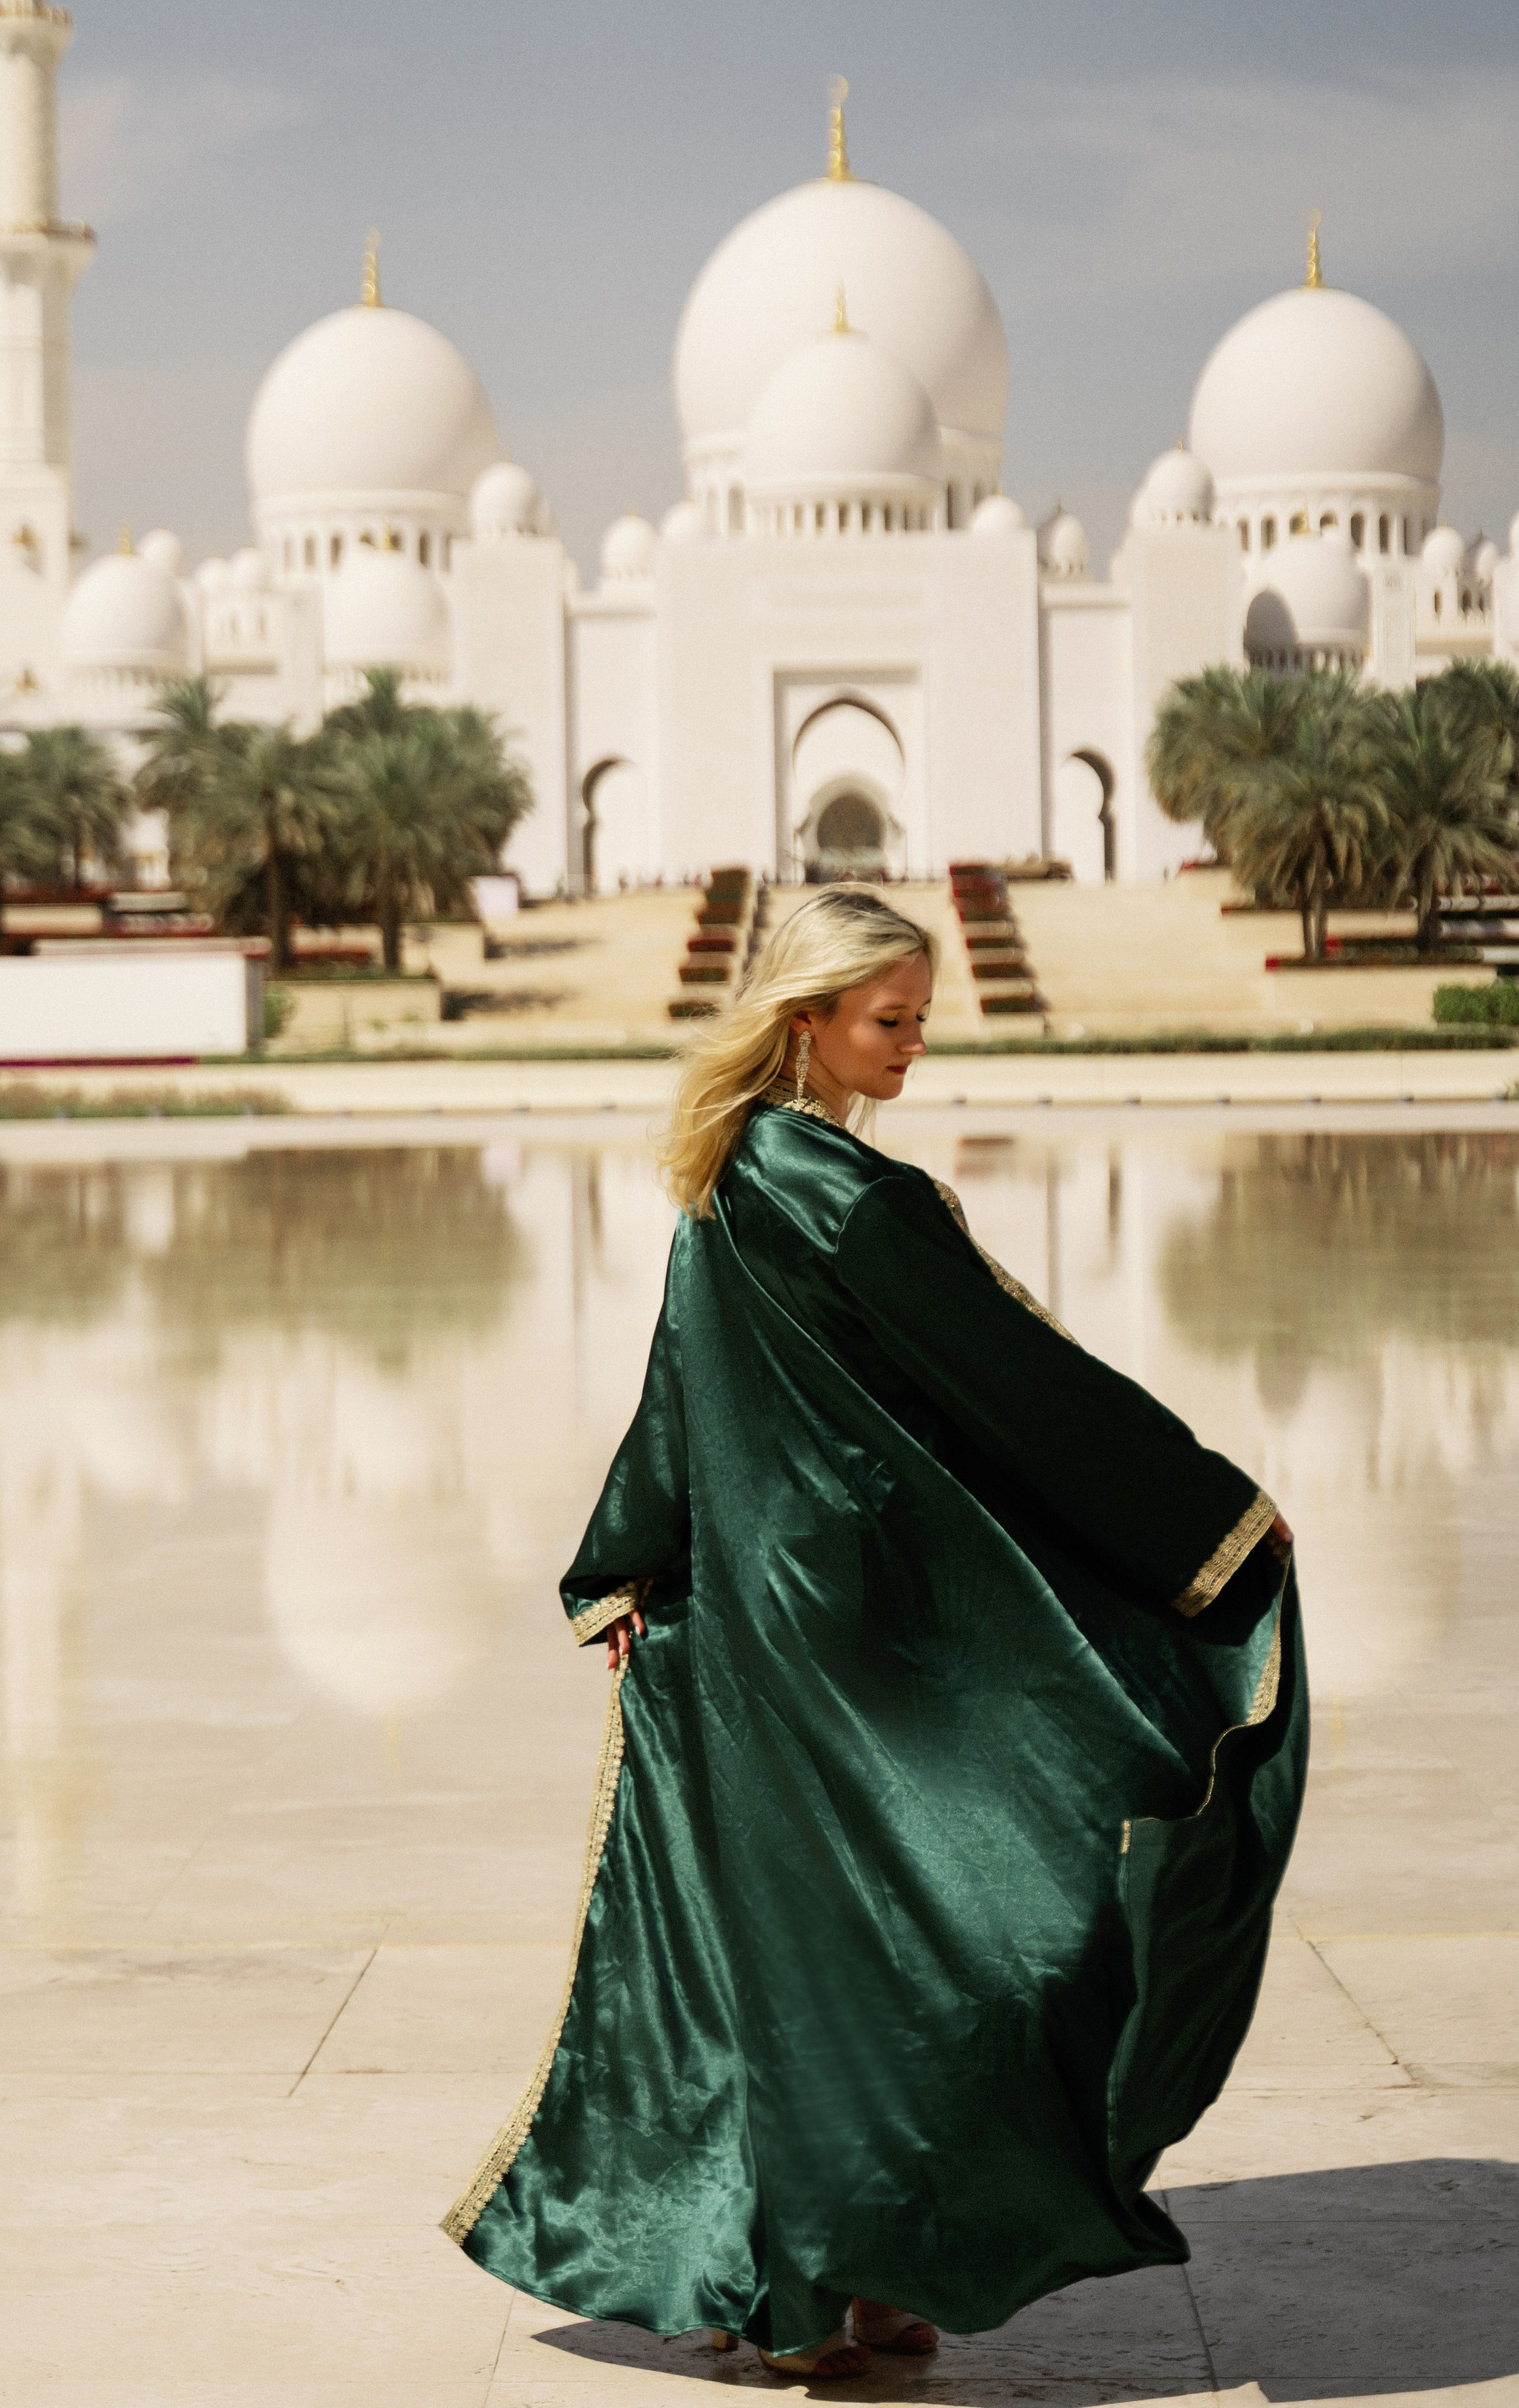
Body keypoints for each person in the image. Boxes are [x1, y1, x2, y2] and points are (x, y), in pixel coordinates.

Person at [444, 886, 1305, 2378]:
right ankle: (836, 2276)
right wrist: (1207, 1518)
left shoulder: (739, 1173)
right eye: (887, 1021)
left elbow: (672, 1390)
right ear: (808, 1019)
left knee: (827, 1952)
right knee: (979, 1926)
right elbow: (1023, 1386)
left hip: (770, 1624)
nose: (911, 1046)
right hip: (856, 1636)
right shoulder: (841, 1194)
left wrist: (630, 1564)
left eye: (919, 1019)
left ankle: (857, 2275)